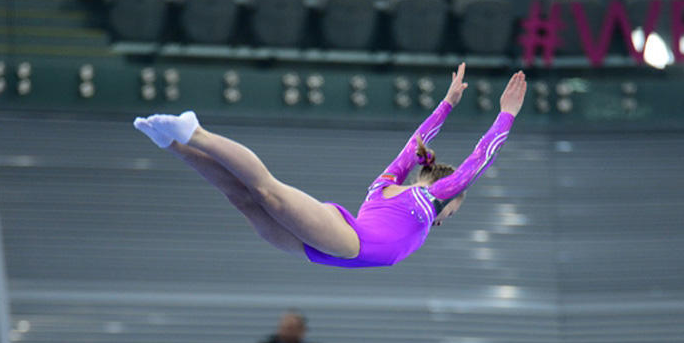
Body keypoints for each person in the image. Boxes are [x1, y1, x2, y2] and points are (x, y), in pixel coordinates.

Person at [133, 65, 526, 268]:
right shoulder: (429, 200)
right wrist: (506, 114)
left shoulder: (385, 185)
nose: (446, 218)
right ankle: (196, 133)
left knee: (244, 198)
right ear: (450, 193)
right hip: (345, 241)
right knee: (266, 190)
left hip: (323, 250)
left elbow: (416, 143)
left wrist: (447, 105)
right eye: (455, 211)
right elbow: (479, 159)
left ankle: (173, 143)